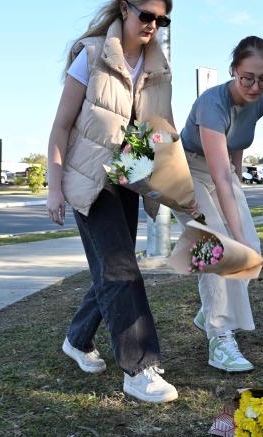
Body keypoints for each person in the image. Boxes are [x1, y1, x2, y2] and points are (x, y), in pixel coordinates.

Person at [45, 0, 178, 403]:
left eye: (161, 19)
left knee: (115, 266)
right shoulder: (91, 55)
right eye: (146, 15)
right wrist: (54, 188)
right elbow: (60, 126)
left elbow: (162, 132)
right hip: (88, 179)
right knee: (120, 267)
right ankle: (139, 369)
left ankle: (77, 338)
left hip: (128, 178)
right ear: (124, 8)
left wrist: (176, 188)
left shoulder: (159, 70)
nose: (153, 24)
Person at [172, 36, 263, 373]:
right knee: (216, 246)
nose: (255, 87)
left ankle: (208, 314)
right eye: (247, 78)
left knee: (251, 248)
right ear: (233, 71)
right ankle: (219, 337)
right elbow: (218, 177)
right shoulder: (211, 104)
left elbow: (238, 141)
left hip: (222, 170)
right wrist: (236, 239)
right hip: (187, 170)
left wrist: (238, 178)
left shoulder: (260, 101)